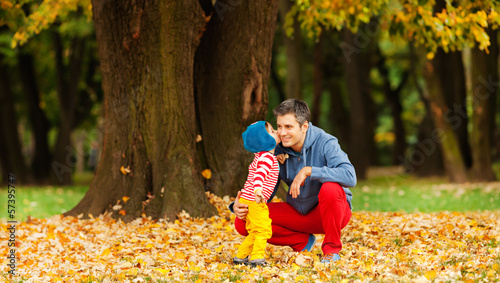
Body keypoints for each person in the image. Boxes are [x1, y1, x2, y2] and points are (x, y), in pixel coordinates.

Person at [230, 99, 356, 263]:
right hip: (297, 211)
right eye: (279, 126)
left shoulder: (326, 142)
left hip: (330, 213)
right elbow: (266, 189)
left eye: (288, 127)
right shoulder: (276, 149)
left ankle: (331, 250)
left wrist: (309, 171)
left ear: (304, 126)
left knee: (330, 188)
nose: (282, 133)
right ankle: (301, 241)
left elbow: (350, 176)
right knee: (243, 221)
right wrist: (242, 205)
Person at [232, 121, 281, 266]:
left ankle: (240, 256)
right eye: (272, 131)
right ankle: (257, 257)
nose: (277, 131)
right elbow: (259, 175)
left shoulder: (264, 157)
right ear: (266, 140)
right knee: (263, 230)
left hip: (248, 200)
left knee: (254, 231)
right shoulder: (266, 158)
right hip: (255, 200)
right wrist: (258, 190)